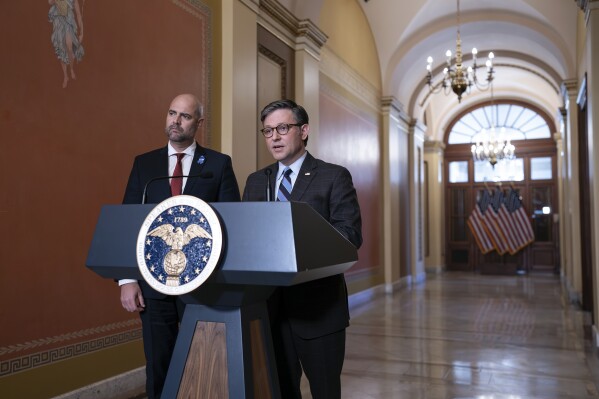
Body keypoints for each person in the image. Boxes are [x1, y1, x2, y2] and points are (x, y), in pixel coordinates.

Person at [120, 93, 241, 399]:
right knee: (158, 362)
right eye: (172, 113)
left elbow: (232, 225)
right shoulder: (144, 164)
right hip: (152, 284)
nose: (175, 121)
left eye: (185, 116)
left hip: (202, 283)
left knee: (199, 361)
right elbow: (127, 223)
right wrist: (126, 279)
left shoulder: (217, 164)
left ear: (198, 123)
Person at [243, 99, 362, 399]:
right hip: (269, 308)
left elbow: (349, 235)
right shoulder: (257, 181)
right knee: (280, 390)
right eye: (268, 131)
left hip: (319, 309)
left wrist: (296, 240)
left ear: (304, 130)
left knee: (324, 391)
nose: (275, 137)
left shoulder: (333, 176)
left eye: (283, 128)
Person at [48, 0, 85, 88]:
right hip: (58, 23)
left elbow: (79, 14)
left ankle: (71, 68)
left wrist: (82, 32)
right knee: (61, 51)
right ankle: (65, 76)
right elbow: (49, 2)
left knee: (69, 46)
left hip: (68, 22)